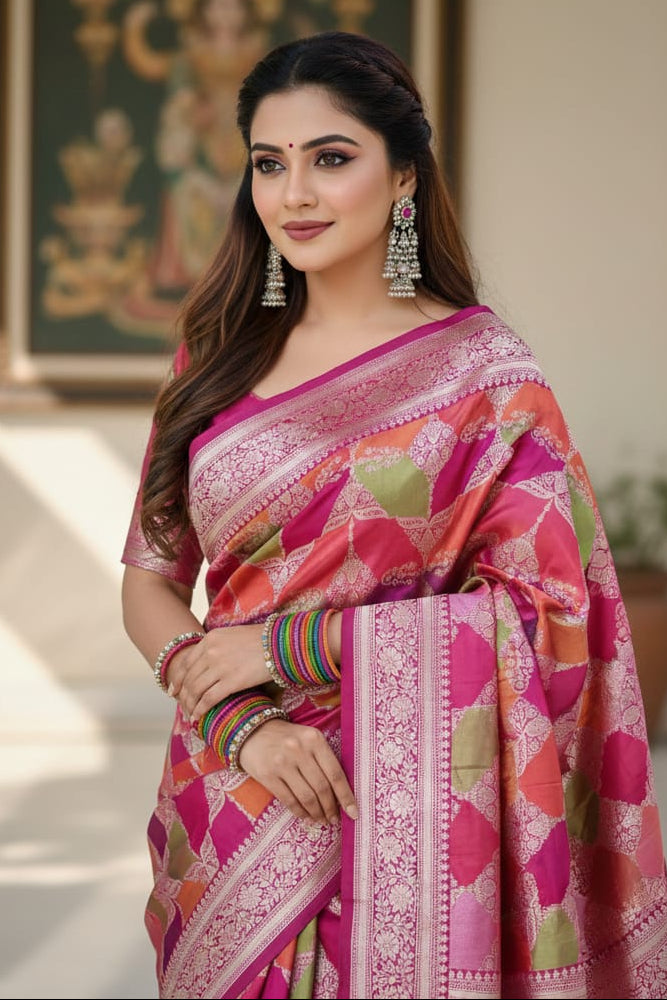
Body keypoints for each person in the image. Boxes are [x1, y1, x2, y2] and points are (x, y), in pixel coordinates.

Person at [120, 30, 667, 1000]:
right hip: (229, 793)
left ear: (403, 176)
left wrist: (285, 648)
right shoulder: (211, 358)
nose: (294, 194)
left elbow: (551, 613)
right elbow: (149, 584)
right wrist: (249, 724)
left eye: (331, 159)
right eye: (268, 163)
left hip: (405, 805)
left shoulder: (484, 376)